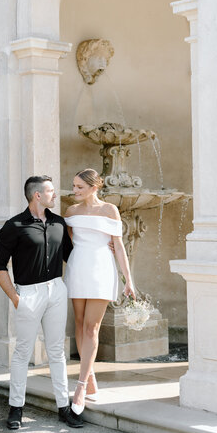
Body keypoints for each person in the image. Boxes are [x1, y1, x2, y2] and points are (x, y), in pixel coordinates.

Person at [0, 175, 84, 430]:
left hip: (55, 289)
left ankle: (63, 408)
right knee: (22, 352)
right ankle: (16, 409)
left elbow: (71, 255)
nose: (56, 195)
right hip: (27, 294)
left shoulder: (58, 223)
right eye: (51, 191)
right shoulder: (14, 225)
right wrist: (16, 298)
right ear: (37, 196)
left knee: (56, 352)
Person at [64, 168, 136, 415]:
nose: (74, 191)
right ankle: (90, 374)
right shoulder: (70, 212)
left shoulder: (109, 210)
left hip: (101, 270)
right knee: (80, 322)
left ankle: (81, 386)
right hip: (77, 268)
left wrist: (129, 280)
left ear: (94, 187)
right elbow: (71, 242)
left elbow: (118, 245)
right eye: (73, 186)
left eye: (79, 187)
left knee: (92, 328)